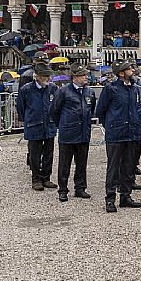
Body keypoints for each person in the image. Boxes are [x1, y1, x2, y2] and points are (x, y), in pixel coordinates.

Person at [94, 59, 141, 212]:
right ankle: (110, 198)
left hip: (132, 133)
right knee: (113, 168)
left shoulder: (137, 89)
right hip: (116, 134)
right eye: (129, 68)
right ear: (121, 73)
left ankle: (125, 196)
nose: (132, 70)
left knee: (129, 167)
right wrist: (111, 125)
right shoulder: (111, 89)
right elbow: (100, 111)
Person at [50, 63, 96, 202]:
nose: (86, 77)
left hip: (83, 133)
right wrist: (63, 125)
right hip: (68, 133)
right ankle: (63, 189)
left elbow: (91, 108)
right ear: (74, 77)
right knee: (65, 164)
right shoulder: (63, 91)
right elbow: (54, 111)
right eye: (83, 75)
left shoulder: (89, 92)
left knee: (82, 163)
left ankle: (80, 187)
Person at [17, 62, 58, 191]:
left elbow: (56, 105)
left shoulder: (53, 88)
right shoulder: (26, 89)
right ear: (38, 77)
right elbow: (21, 107)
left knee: (48, 153)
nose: (48, 79)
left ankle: (46, 177)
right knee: (35, 154)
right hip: (34, 124)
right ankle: (36, 178)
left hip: (49, 124)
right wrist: (28, 120)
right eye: (45, 76)